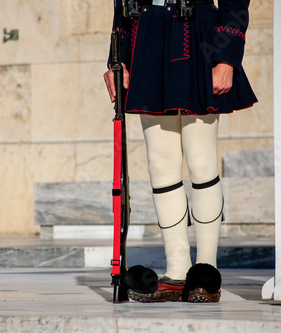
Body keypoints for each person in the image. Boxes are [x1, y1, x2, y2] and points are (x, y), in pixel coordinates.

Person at [103, 0, 257, 303]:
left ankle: (206, 274)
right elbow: (122, 5)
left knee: (201, 161)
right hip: (146, 36)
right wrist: (116, 60)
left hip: (198, 33)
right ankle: (176, 271)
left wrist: (226, 58)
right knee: (160, 164)